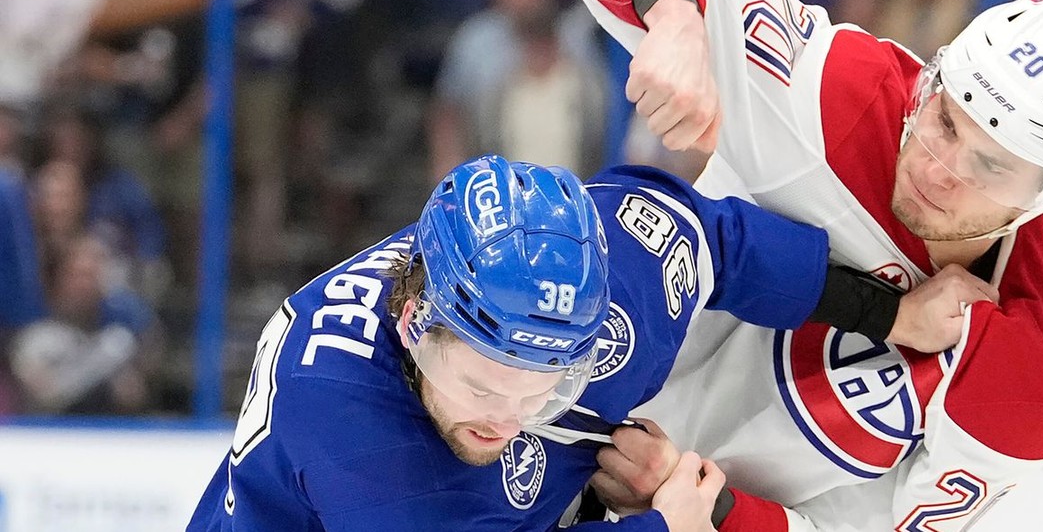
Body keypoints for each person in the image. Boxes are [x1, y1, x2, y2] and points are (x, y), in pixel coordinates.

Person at [555, 0, 1043, 529]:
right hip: (534, 407)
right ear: (931, 78)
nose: (936, 166)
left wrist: (712, 508)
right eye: (946, 118)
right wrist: (674, 16)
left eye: (989, 166)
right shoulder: (836, 100)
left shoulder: (1027, 375)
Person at [188, 154, 984, 531]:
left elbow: (720, 243)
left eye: (543, 383)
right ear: (413, 325)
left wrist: (887, 314)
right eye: (480, 385)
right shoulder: (363, 448)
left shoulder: (622, 265)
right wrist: (663, 524)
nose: (506, 418)